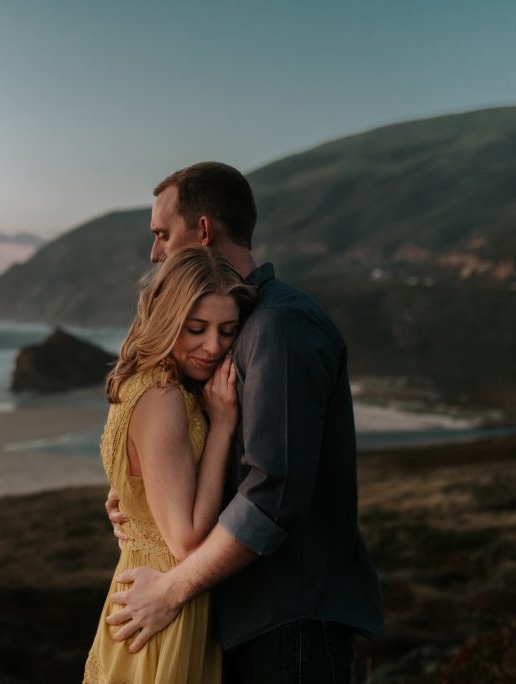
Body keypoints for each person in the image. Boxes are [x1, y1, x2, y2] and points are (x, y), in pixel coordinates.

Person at [104, 162, 383, 683]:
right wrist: (137, 497)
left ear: (203, 231)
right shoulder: (234, 329)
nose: (155, 252)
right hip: (246, 616)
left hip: (289, 615)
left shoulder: (278, 324)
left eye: (163, 234)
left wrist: (174, 588)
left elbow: (272, 494)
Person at [84, 246, 255, 683]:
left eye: (228, 330)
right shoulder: (162, 397)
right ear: (166, 319)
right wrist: (222, 427)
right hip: (161, 602)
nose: (213, 346)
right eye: (196, 328)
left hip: (145, 589)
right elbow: (187, 541)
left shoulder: (150, 383)